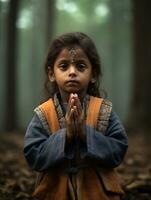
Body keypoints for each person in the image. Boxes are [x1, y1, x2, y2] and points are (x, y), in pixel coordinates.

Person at [23, 32, 128, 200]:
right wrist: (67, 135)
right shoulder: (44, 113)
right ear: (51, 74)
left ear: (93, 74)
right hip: (54, 191)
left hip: (97, 192)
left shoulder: (103, 111)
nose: (72, 72)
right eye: (64, 66)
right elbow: (33, 155)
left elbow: (118, 149)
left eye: (80, 66)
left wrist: (85, 133)